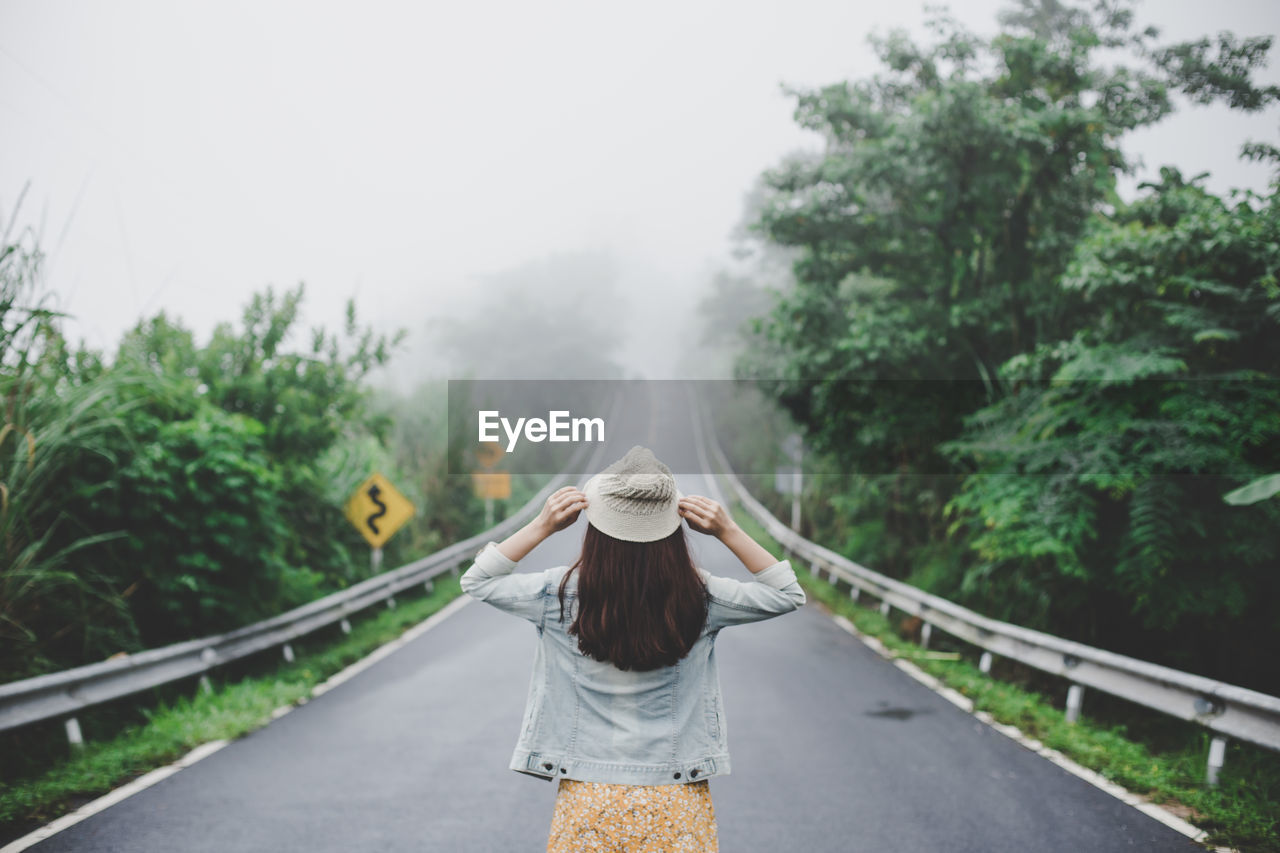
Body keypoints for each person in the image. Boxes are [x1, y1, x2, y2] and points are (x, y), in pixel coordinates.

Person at [460, 445, 806, 853]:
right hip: (676, 804)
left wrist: (542, 526)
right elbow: (787, 593)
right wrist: (728, 530)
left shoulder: (558, 594)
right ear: (672, 529)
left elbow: (477, 581)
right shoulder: (701, 597)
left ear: (596, 527)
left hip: (588, 804)